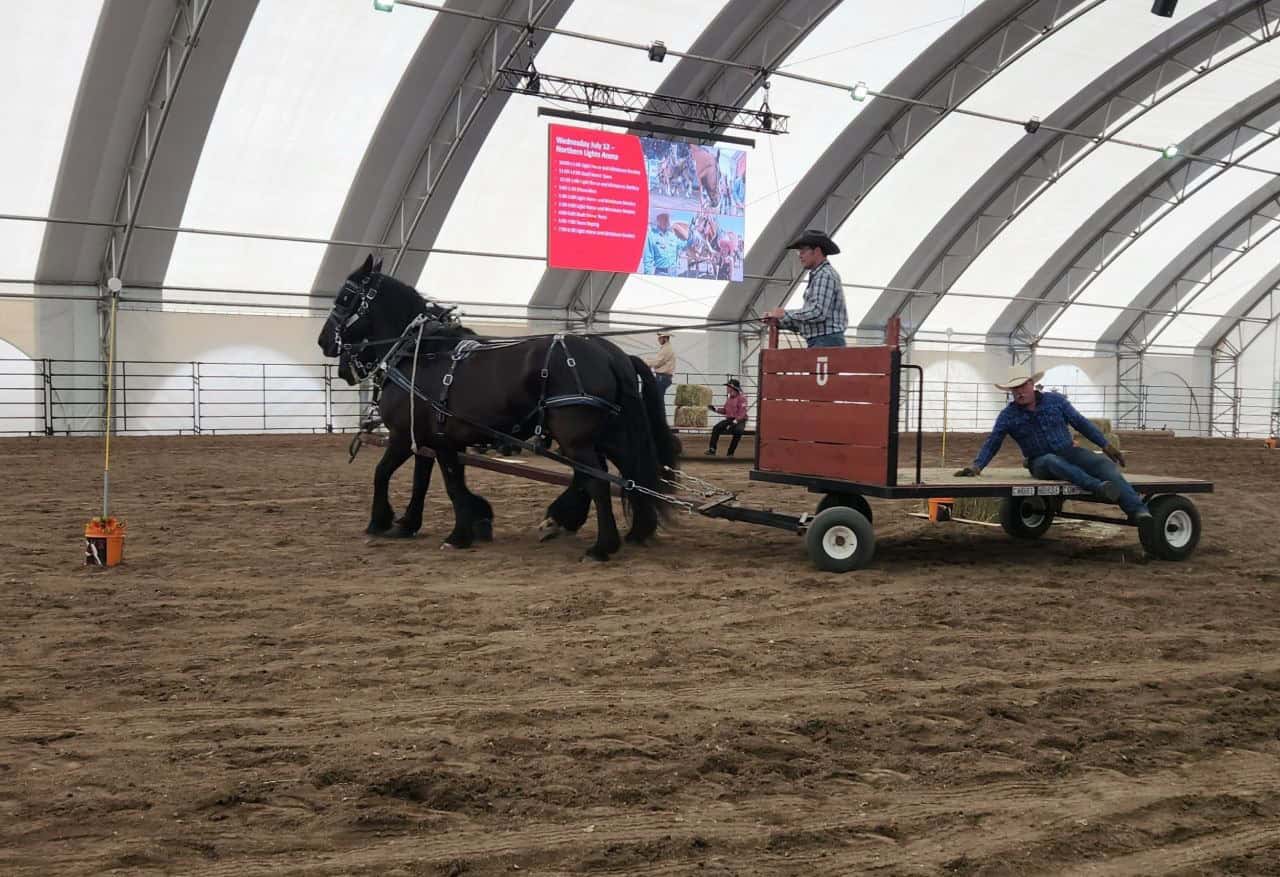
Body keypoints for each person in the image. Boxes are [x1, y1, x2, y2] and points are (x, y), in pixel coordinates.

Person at [955, 366, 1151, 522]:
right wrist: (977, 465)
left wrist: (1105, 445)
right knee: (1051, 461)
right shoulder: (1008, 416)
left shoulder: (1056, 401)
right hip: (1039, 462)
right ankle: (1098, 487)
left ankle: (1139, 511)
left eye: (1023, 386)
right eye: (1015, 389)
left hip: (1069, 451)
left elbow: (1080, 423)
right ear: (1010, 391)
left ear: (1032, 384)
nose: (1020, 392)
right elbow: (993, 442)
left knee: (1103, 465)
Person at [764, 229, 848, 348]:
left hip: (826, 341)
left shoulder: (825, 275)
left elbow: (817, 312)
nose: (800, 255)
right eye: (799, 251)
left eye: (803, 250)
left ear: (817, 251)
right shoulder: (819, 275)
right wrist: (779, 321)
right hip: (822, 340)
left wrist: (784, 314)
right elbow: (811, 319)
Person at [705, 378, 748, 457]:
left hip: (740, 420)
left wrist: (735, 422)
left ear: (733, 388)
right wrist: (715, 409)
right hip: (730, 419)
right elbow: (725, 410)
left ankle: (730, 452)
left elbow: (742, 412)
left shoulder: (742, 398)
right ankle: (712, 449)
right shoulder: (729, 398)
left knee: (738, 431)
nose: (727, 388)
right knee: (716, 428)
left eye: (728, 386)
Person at [646, 332, 676, 396]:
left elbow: (658, 362)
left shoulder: (666, 349)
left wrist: (645, 363)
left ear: (665, 338)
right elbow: (658, 360)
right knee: (659, 397)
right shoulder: (666, 348)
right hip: (662, 377)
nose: (658, 339)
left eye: (660, 338)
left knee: (658, 397)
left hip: (662, 377)